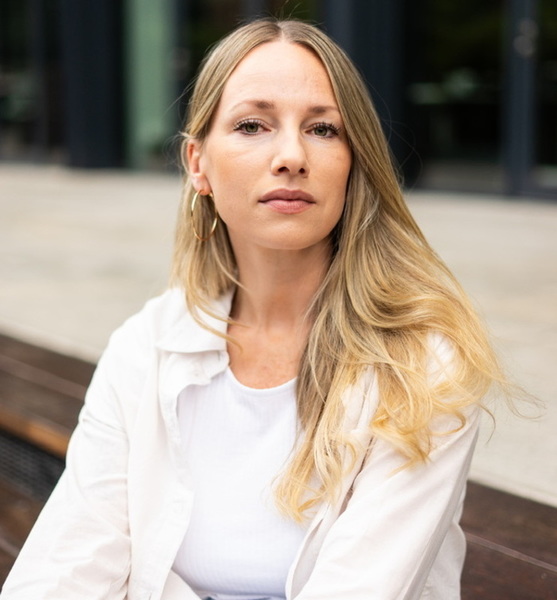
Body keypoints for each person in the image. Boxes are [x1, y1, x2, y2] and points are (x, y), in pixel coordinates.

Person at [2, 18, 508, 600]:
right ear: (198, 164)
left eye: (322, 129)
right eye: (252, 125)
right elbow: (69, 560)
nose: (291, 155)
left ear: (354, 163)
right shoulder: (147, 346)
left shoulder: (421, 362)